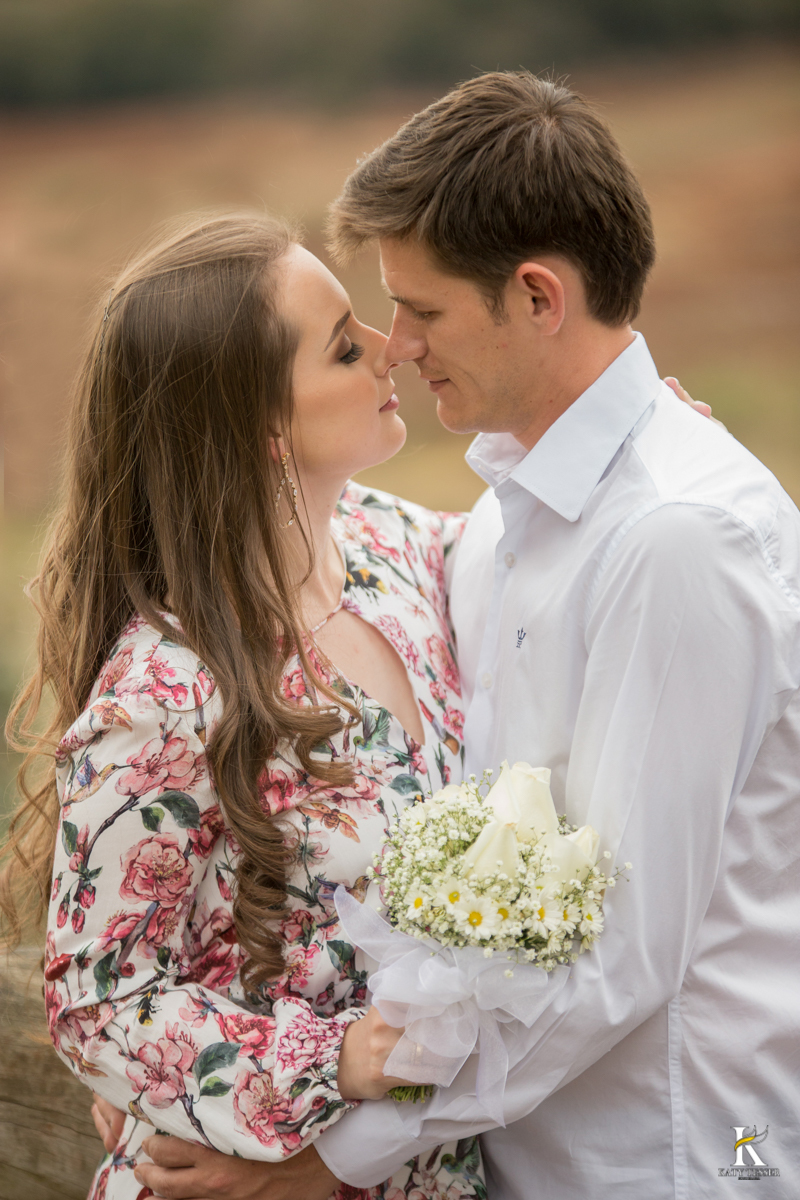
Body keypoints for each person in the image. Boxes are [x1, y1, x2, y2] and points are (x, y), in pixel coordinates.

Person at [107, 72, 798, 1200]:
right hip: (507, 1162)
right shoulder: (490, 528)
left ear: (535, 296)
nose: (393, 345)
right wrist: (176, 1078)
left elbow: (617, 957)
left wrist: (328, 1164)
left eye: (419, 310)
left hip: (679, 1157)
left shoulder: (677, 542)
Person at [0, 212, 486, 1199]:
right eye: (346, 347)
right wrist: (332, 1061)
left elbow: (557, 547)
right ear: (261, 427)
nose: (392, 349)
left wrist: (648, 449)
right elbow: (100, 1004)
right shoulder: (166, 691)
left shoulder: (400, 547)